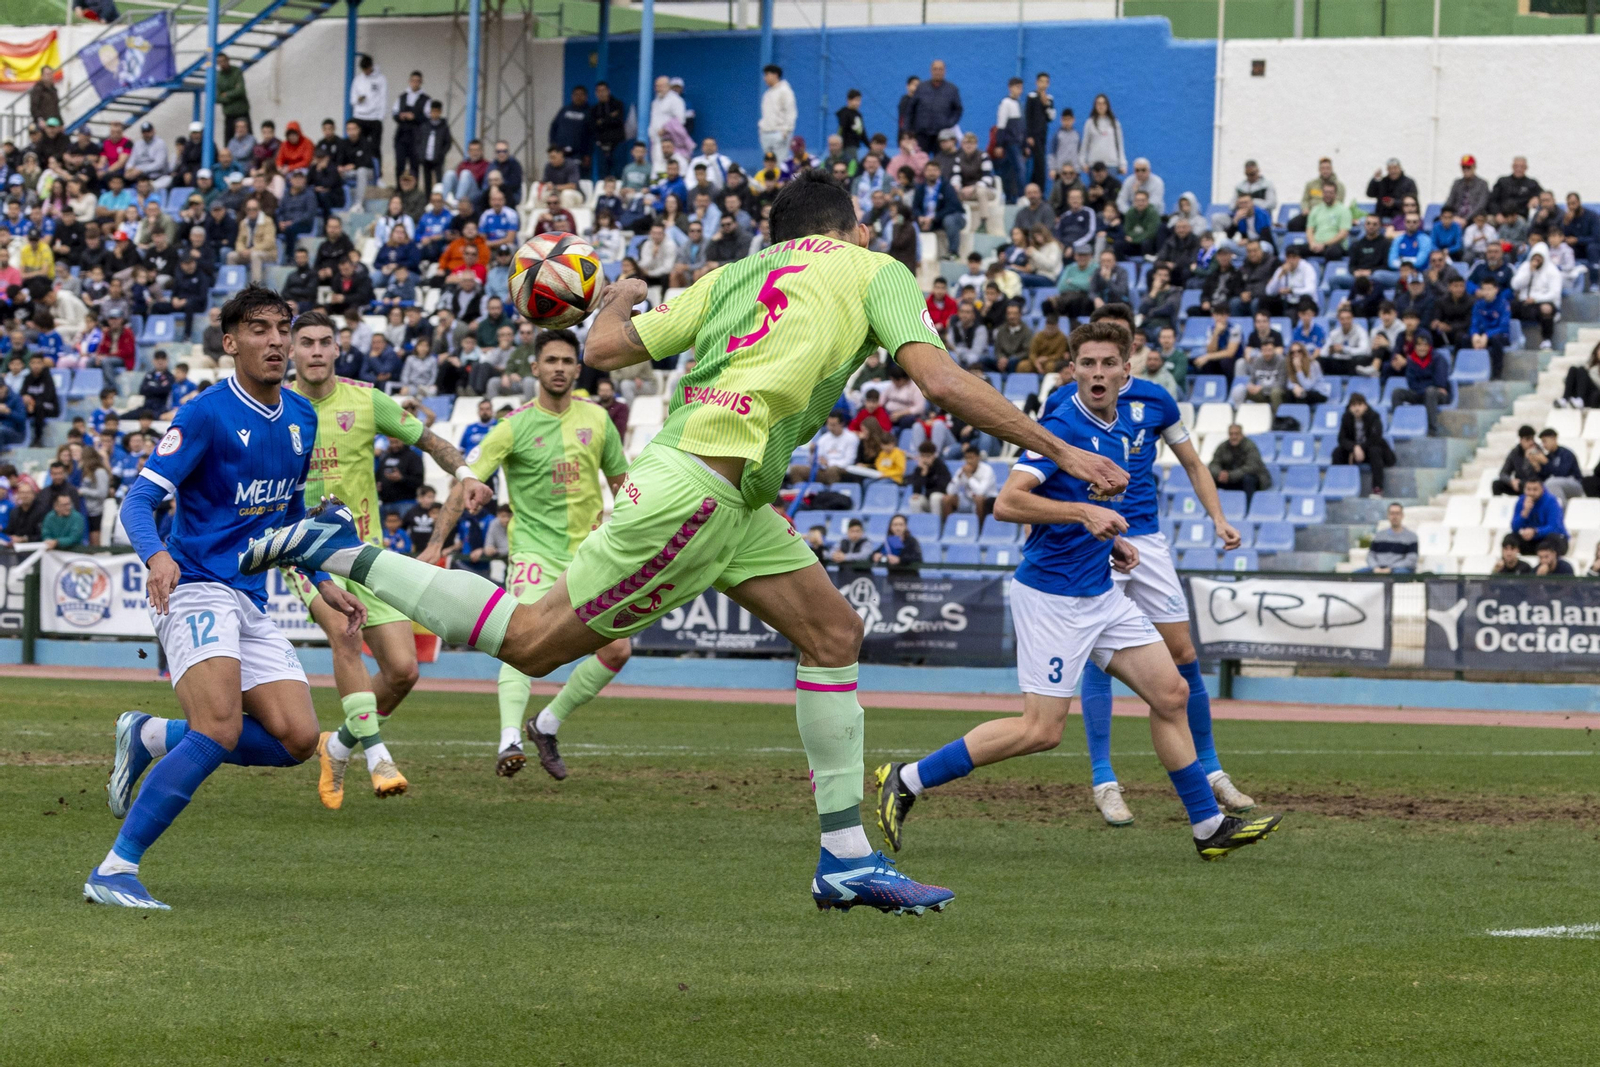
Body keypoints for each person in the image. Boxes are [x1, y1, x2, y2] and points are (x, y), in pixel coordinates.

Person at [240, 170, 1131, 915]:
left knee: (832, 634)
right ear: (850, 226)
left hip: (731, 492)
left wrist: (621, 297)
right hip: (701, 487)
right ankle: (329, 547)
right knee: (531, 637)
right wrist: (1061, 449)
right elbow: (937, 378)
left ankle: (847, 858)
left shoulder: (736, 276)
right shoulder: (872, 267)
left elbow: (605, 350)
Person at [875, 320, 1278, 854]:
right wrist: (1083, 511)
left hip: (1100, 592)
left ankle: (1208, 828)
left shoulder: (1120, 429)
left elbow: (1081, 510)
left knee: (1172, 691)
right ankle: (906, 779)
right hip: (1053, 598)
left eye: (1108, 363)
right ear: (1073, 370)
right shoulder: (1062, 423)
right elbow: (1008, 503)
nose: (1097, 372)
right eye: (1086, 363)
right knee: (1041, 731)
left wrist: (1111, 543)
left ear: (1125, 370)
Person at [87, 287, 367, 911]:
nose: (275, 341)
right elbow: (138, 500)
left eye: (283, 329)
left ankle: (153, 736)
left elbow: (291, 517)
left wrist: (327, 585)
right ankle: (114, 869)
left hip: (249, 597)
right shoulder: (204, 414)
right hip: (193, 588)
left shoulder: (301, 417)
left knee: (298, 739)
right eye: (259, 329)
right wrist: (158, 556)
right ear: (231, 340)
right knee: (217, 728)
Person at [419, 330, 630, 777]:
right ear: (535, 368)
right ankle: (509, 739)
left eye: (566, 361)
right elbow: (467, 479)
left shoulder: (599, 420)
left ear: (578, 368)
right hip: (534, 552)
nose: (558, 367)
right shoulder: (513, 425)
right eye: (550, 360)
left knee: (618, 652)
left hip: (589, 556)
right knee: (521, 643)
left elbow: (623, 486)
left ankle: (546, 724)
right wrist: (437, 544)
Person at [1332, 393, 1395, 496]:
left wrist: (1360, 448)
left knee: (1375, 451)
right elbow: (1341, 439)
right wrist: (1354, 448)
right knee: (1337, 453)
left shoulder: (1374, 416)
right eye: (1353, 405)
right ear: (1350, 407)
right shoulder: (1346, 417)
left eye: (1359, 405)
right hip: (1355, 452)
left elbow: (1375, 438)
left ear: (1365, 406)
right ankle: (1338, 485)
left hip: (1372, 450)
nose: (1357, 408)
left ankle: (1377, 488)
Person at [1389, 333, 1450, 437]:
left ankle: (1432, 431)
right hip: (1419, 393)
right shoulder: (1411, 361)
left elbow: (1440, 382)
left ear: (1430, 346)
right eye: (1419, 345)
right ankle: (1399, 425)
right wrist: (1425, 387)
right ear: (1415, 347)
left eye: (1425, 345)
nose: (1422, 348)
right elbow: (1411, 384)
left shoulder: (1438, 359)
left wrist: (1425, 387)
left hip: (1438, 395)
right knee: (1397, 393)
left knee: (1430, 391)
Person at [1512, 241, 1561, 350]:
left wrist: (1536, 299)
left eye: (1539, 258)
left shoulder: (1552, 271)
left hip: (1541, 302)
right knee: (1508, 307)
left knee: (1546, 309)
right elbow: (1515, 285)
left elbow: (1554, 293)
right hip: (1524, 302)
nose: (1536, 261)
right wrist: (1529, 272)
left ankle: (1547, 339)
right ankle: (1511, 338)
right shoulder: (1525, 267)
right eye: (1535, 258)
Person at [908, 60, 962, 154]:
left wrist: (949, 123)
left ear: (945, 71)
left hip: (942, 135)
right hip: (922, 134)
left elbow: (958, 110)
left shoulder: (952, 89)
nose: (937, 72)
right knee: (920, 163)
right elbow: (911, 109)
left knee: (941, 163)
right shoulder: (921, 87)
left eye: (940, 69)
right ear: (931, 71)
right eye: (935, 69)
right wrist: (909, 130)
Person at [1209, 422, 1272, 503]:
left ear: (1242, 434)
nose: (1234, 437)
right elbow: (1214, 464)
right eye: (1231, 434)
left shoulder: (1250, 446)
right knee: (1209, 478)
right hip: (1230, 480)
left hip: (1250, 480)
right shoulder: (1222, 447)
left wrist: (1230, 475)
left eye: (1236, 434)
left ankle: (1249, 507)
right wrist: (1219, 473)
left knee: (1248, 479)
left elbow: (1252, 467)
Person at [1511, 478, 1566, 557]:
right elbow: (1514, 527)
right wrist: (1524, 513)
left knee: (1552, 539)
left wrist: (1535, 531)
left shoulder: (1551, 501)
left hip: (1548, 538)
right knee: (1510, 538)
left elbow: (1554, 527)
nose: (1531, 493)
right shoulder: (1521, 501)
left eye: (1535, 489)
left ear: (1542, 489)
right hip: (1531, 541)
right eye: (1528, 489)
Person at [1360, 502, 1417, 574]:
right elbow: (1370, 555)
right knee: (1354, 575)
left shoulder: (1411, 537)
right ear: (1388, 515)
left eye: (1397, 513)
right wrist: (1375, 567)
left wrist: (1390, 569)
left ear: (1402, 515)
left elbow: (1411, 561)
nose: (1394, 516)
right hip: (1377, 569)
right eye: (1392, 513)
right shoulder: (1379, 535)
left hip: (1398, 571)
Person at [758, 65, 796, 160]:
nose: (764, 78)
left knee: (780, 165)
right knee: (769, 166)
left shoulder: (785, 91)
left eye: (767, 75)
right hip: (766, 133)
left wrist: (785, 131)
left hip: (779, 133)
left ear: (775, 75)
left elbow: (791, 112)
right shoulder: (767, 94)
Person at [1537, 427, 1584, 504]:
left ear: (1553, 439)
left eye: (1545, 441)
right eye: (1542, 442)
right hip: (1557, 485)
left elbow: (1562, 473)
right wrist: (1537, 466)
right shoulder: (1549, 456)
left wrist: (1546, 462)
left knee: (1551, 483)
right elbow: (1543, 477)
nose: (1544, 445)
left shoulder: (1566, 454)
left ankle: (1561, 510)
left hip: (1575, 484)